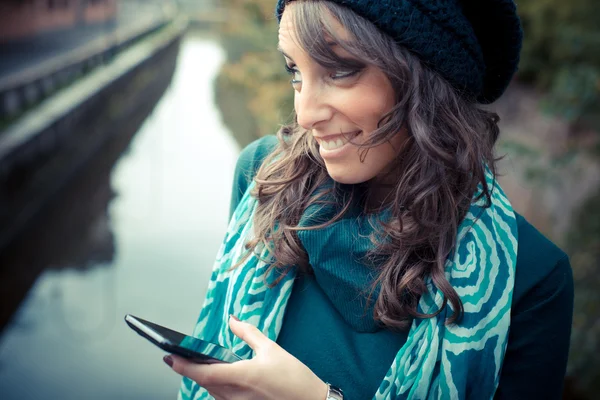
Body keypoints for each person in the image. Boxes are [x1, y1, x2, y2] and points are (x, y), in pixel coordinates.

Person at [163, 1, 574, 399]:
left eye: (340, 71)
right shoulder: (264, 179)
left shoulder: (531, 278)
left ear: (424, 76)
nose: (304, 114)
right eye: (295, 72)